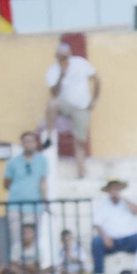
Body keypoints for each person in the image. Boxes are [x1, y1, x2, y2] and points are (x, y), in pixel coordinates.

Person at [43, 42, 99, 178]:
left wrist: (95, 99)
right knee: (52, 103)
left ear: (70, 55)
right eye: (60, 56)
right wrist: (61, 76)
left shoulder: (80, 63)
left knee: (80, 141)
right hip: (64, 104)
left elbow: (97, 80)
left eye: (65, 56)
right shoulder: (53, 70)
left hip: (81, 106)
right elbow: (54, 93)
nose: (63, 59)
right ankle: (49, 136)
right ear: (56, 56)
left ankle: (81, 172)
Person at [91, 178, 137, 274]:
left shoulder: (128, 201)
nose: (114, 191)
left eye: (116, 188)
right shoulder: (101, 205)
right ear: (108, 190)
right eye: (112, 188)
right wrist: (105, 237)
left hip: (128, 239)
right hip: (111, 241)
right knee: (97, 242)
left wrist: (124, 199)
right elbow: (97, 224)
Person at [2, 132, 49, 216]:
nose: (30, 144)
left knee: (30, 228)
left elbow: (43, 183)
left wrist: (45, 202)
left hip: (35, 205)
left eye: (32, 141)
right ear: (22, 143)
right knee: (15, 229)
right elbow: (6, 183)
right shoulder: (12, 162)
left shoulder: (42, 160)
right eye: (27, 141)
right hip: (15, 205)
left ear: (36, 143)